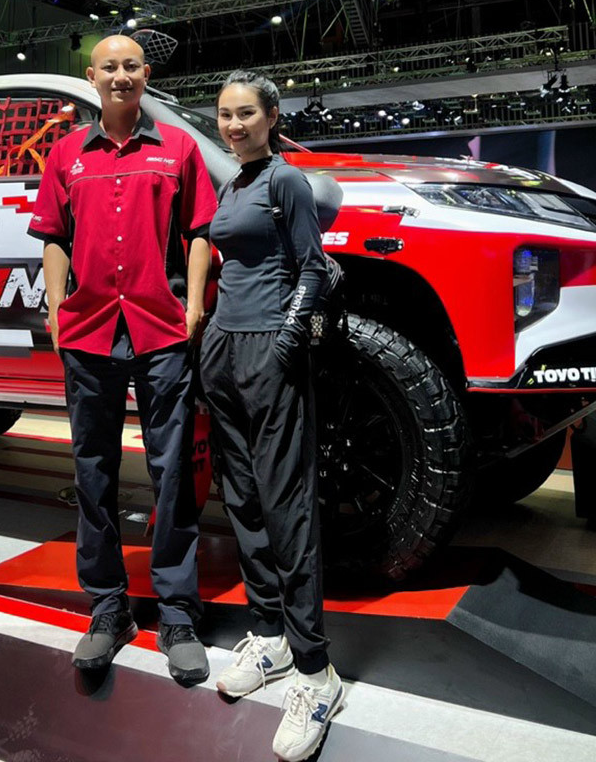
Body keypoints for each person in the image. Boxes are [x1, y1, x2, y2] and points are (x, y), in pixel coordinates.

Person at [28, 35, 217, 683]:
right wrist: (57, 307)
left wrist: (194, 304)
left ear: (146, 74)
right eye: (109, 67)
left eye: (131, 66)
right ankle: (108, 606)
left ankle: (178, 613)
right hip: (89, 332)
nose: (120, 76)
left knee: (172, 473)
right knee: (93, 471)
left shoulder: (179, 149)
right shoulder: (65, 154)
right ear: (92, 77)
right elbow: (53, 236)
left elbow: (199, 231)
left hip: (161, 328)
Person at [200, 71, 343, 762]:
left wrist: (285, 342)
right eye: (225, 115)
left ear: (272, 116)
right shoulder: (234, 184)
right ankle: (270, 636)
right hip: (223, 350)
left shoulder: (287, 180)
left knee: (286, 507)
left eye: (246, 114)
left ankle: (317, 672)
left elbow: (314, 268)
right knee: (243, 499)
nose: (234, 125)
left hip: (268, 350)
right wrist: (212, 341)